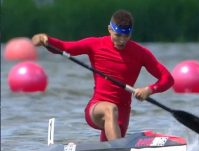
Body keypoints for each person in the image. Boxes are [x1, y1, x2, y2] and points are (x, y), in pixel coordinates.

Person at [32, 9, 174, 141]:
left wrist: (149, 89)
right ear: (109, 29)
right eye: (118, 35)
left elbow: (168, 79)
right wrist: (45, 40)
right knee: (110, 109)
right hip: (96, 108)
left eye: (126, 36)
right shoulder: (95, 44)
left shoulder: (141, 53)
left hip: (122, 115)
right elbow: (64, 47)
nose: (122, 40)